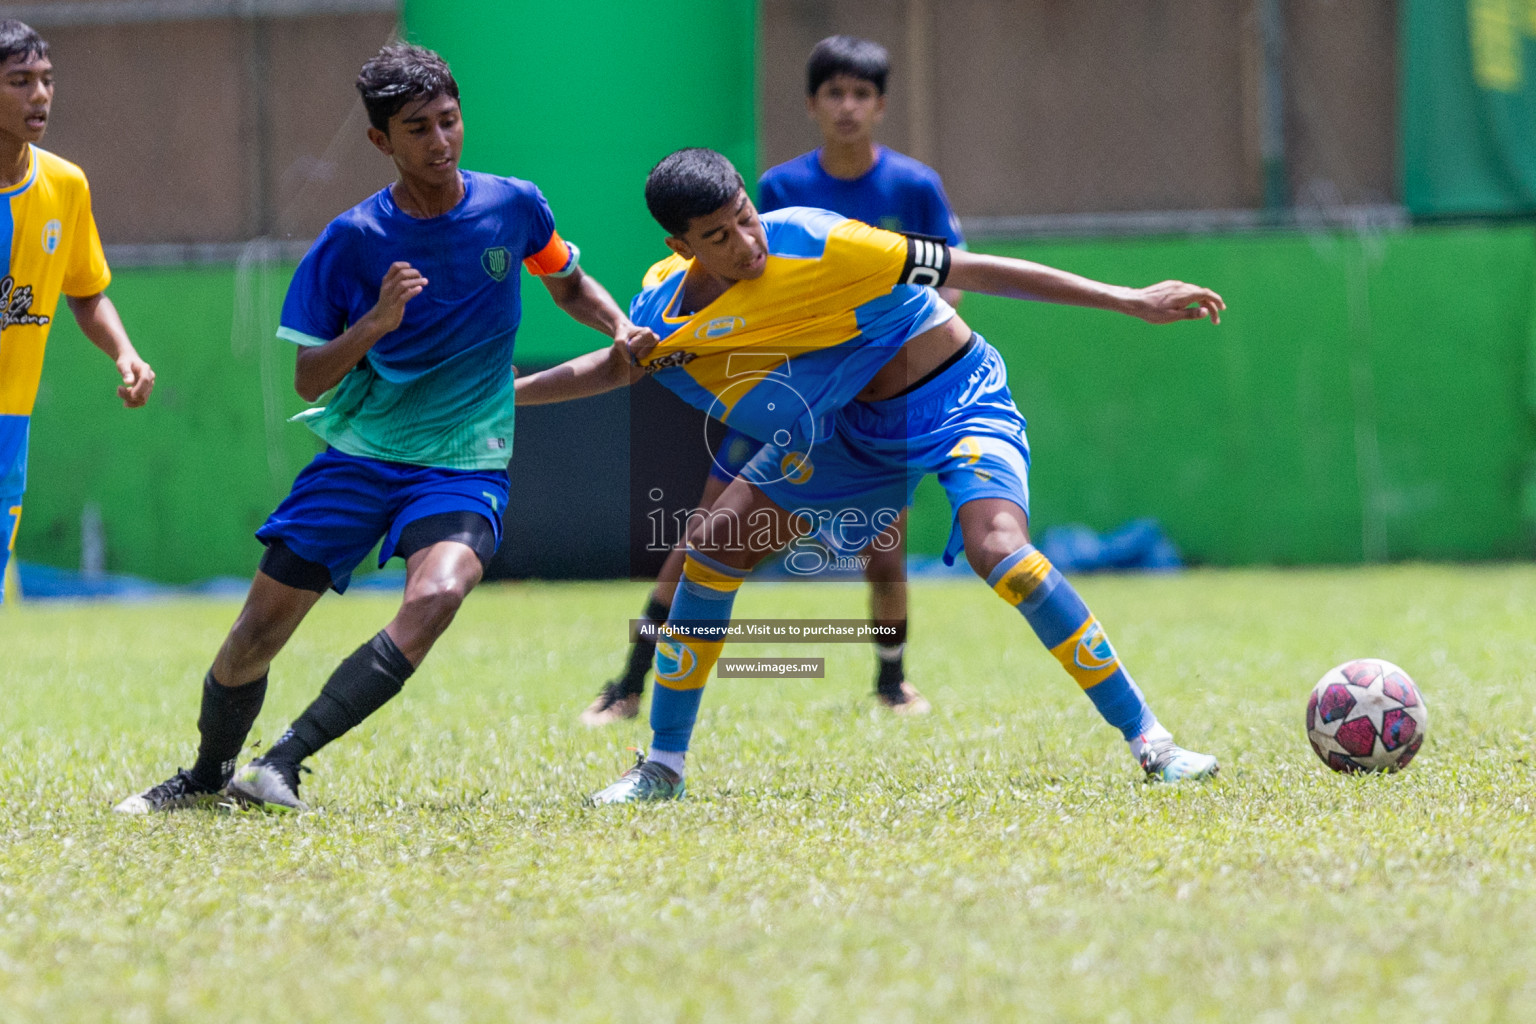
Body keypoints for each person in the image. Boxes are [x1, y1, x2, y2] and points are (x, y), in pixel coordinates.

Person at [514, 149, 1225, 804]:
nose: (748, 243)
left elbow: (971, 271)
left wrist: (1128, 298)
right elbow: (617, 366)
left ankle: (1154, 744)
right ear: (682, 247)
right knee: (711, 550)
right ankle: (663, 769)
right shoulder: (664, 308)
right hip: (843, 429)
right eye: (721, 237)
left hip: (955, 403)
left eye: (746, 218)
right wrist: (508, 395)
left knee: (1001, 553)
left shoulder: (826, 241)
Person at [114, 42, 654, 813]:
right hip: (361, 459)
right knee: (258, 633)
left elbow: (565, 281)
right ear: (381, 142)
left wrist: (619, 325)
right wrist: (373, 323)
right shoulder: (353, 240)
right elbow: (309, 377)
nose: (440, 141)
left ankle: (283, 762)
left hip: (466, 463)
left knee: (441, 592)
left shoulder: (514, 205)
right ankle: (204, 776)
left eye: (448, 121)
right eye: (417, 129)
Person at [579, 35, 963, 724]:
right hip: (779, 392)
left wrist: (899, 362)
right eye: (834, 93)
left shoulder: (914, 187)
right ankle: (630, 682)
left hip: (873, 393)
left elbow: (946, 283)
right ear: (812, 104)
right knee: (705, 535)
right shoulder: (782, 189)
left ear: (880, 106)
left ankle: (892, 680)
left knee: (885, 544)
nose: (847, 108)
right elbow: (741, 296)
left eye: (862, 94)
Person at [0, 19, 155, 601]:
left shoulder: (66, 185)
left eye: (46, 80)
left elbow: (85, 292)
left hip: (10, 424)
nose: (39, 95)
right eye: (19, 81)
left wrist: (125, 352)